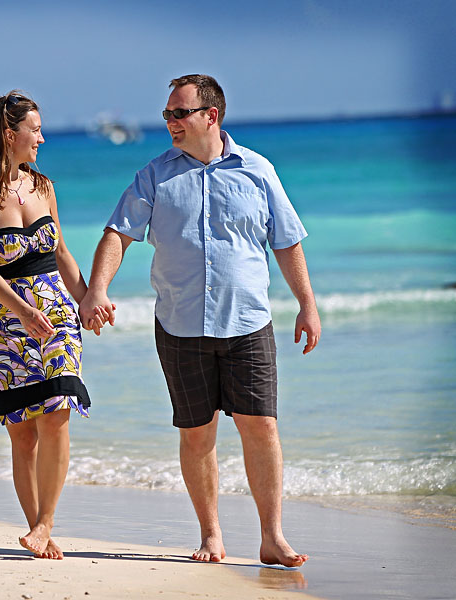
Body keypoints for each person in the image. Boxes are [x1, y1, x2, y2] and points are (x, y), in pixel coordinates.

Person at [79, 74, 321, 568]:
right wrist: (98, 289)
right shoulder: (155, 175)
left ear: (210, 116)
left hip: (248, 323)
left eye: (179, 112)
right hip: (180, 326)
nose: (169, 121)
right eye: (168, 113)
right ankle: (212, 536)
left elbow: (287, 240)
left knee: (262, 428)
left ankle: (272, 537)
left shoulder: (257, 170)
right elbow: (117, 234)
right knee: (197, 433)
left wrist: (308, 306)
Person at [0, 91, 106, 560]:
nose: (41, 137)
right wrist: (21, 310)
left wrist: (88, 301)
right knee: (23, 433)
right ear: (9, 133)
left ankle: (45, 523)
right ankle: (37, 529)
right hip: (4, 324)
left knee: (58, 413)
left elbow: (61, 253)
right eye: (34, 129)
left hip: (57, 316)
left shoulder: (43, 186)